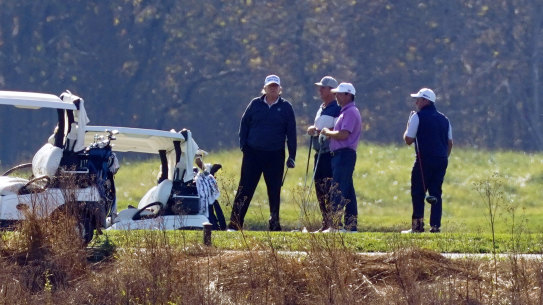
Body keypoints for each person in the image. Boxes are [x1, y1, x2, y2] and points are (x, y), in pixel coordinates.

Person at [227, 74, 297, 231]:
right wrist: (243, 146)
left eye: (275, 86)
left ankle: (274, 224)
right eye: (270, 86)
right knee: (245, 188)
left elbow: (291, 132)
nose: (272, 89)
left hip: (275, 154)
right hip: (253, 153)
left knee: (274, 190)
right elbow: (244, 125)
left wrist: (292, 155)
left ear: (280, 89)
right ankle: (234, 223)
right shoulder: (255, 104)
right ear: (264, 88)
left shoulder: (286, 107)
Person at [402, 88, 453, 233]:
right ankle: (435, 226)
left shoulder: (417, 117)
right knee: (436, 192)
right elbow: (450, 143)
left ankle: (417, 227)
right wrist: (444, 157)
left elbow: (408, 140)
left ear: (426, 101)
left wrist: (408, 125)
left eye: (418, 99)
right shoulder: (445, 119)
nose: (416, 102)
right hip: (442, 159)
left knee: (418, 192)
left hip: (424, 160)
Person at [320, 82, 361, 233]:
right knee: (348, 191)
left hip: (344, 154)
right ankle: (351, 226)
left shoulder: (350, 112)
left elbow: (344, 134)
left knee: (338, 190)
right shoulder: (345, 111)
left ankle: (335, 226)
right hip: (342, 155)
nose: (336, 96)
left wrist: (327, 133)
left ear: (348, 95)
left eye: (339, 93)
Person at [306, 76, 341, 232]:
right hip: (318, 152)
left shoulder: (337, 108)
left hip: (329, 153)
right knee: (319, 188)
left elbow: (337, 128)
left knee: (328, 188)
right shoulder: (322, 107)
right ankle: (325, 222)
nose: (320, 90)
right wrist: (312, 129)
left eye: (323, 87)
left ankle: (333, 223)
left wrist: (323, 131)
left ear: (332, 91)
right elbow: (319, 126)